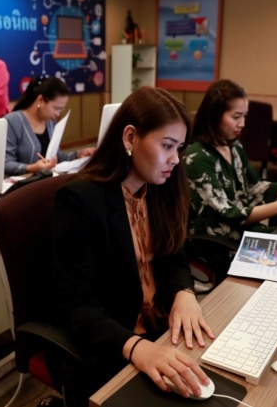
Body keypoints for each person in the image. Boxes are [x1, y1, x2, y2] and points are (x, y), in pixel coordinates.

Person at [51, 86, 214, 406]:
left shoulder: (159, 188)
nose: (175, 160)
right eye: (167, 146)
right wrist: (138, 348)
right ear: (129, 138)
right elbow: (75, 306)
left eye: (179, 147)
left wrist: (184, 292)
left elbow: (175, 256)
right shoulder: (80, 200)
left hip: (163, 332)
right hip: (113, 343)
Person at [184, 79, 277, 243]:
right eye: (236, 117)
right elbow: (229, 215)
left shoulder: (234, 147)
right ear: (214, 116)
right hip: (220, 242)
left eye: (244, 116)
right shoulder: (197, 158)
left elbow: (254, 188)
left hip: (242, 231)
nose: (242, 123)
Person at [3, 75, 94, 176]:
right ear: (40, 100)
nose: (58, 114)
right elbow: (5, 164)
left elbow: (56, 156)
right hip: (21, 185)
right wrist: (32, 168)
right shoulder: (12, 121)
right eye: (56, 108)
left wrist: (77, 154)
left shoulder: (50, 121)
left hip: (44, 180)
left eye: (61, 110)